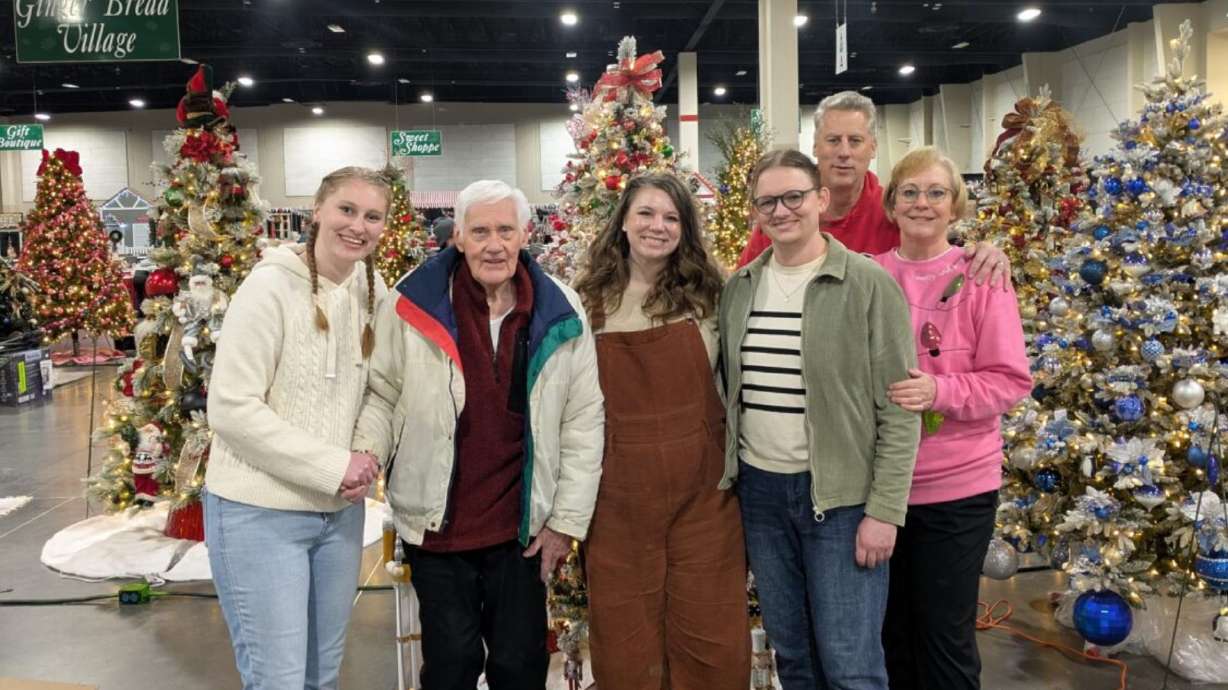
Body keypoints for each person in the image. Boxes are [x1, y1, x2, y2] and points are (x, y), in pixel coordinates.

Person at [352, 179, 604, 690]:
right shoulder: (411, 305)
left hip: (523, 531)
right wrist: (366, 454)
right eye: (480, 230)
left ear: (525, 235)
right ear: (458, 238)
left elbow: (583, 420)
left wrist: (566, 523)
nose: (494, 244)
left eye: (505, 230)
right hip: (437, 523)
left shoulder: (562, 311)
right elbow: (381, 392)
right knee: (451, 664)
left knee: (520, 665)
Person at [719, 149, 920, 690]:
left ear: (820, 200)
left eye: (793, 197)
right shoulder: (740, 289)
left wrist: (884, 511)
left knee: (851, 664)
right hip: (761, 497)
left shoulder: (866, 283)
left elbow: (900, 406)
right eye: (767, 201)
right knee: (794, 656)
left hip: (842, 502)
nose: (781, 211)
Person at [204, 166, 391, 690]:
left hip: (338, 518)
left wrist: (367, 453)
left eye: (372, 216)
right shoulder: (267, 288)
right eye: (346, 210)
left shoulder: (374, 293)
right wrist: (334, 466)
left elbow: (382, 389)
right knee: (279, 679)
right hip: (258, 515)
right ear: (318, 212)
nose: (358, 226)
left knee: (321, 676)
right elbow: (233, 408)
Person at [573, 173, 749, 690]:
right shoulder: (587, 301)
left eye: (672, 217)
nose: (658, 226)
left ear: (686, 229)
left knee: (714, 639)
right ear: (623, 221)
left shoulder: (713, 294)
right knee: (626, 643)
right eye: (646, 213)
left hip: (705, 499)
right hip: (617, 502)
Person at [874, 147, 1031, 690]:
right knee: (889, 636)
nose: (922, 203)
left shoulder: (982, 277)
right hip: (880, 492)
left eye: (936, 192)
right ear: (891, 204)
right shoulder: (869, 276)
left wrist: (939, 390)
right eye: (910, 192)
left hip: (956, 490)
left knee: (944, 638)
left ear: (955, 206)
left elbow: (1010, 380)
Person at [736, 91, 1010, 288]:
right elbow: (742, 283)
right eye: (833, 140)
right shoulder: (785, 217)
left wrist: (983, 253)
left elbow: (937, 259)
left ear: (873, 147)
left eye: (855, 141)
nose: (844, 152)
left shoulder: (896, 213)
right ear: (815, 147)